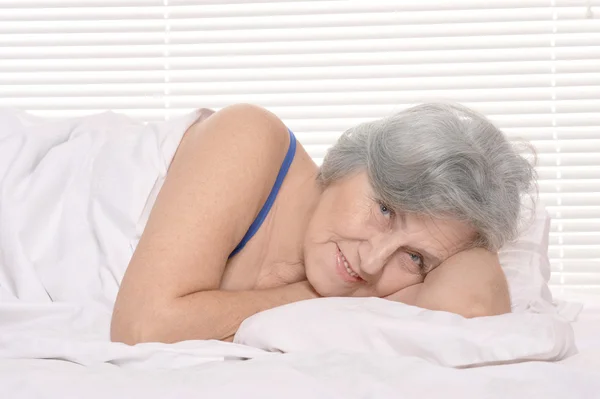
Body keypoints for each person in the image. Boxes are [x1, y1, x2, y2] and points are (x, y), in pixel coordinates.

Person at [110, 102, 535, 344]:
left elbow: (473, 308)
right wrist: (313, 296)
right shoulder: (249, 137)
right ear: (348, 164)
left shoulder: (385, 270)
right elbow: (142, 327)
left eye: (414, 257)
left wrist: (472, 245)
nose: (371, 262)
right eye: (385, 209)